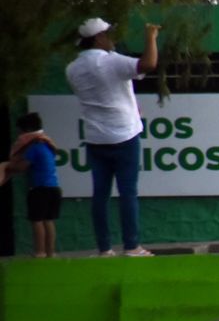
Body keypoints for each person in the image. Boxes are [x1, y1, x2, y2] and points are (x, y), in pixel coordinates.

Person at [65, 17, 160, 256]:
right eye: (108, 34)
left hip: (95, 138)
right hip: (124, 134)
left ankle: (104, 248)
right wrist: (151, 37)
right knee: (128, 192)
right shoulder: (110, 61)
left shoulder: (72, 69)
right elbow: (148, 64)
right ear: (98, 38)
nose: (112, 38)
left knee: (100, 195)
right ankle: (131, 246)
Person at [9, 112, 62, 257]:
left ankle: (40, 251)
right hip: (54, 187)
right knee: (48, 220)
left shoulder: (34, 147)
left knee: (37, 220)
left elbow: (22, 167)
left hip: (40, 189)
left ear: (27, 130)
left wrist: (7, 166)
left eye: (21, 132)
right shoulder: (47, 145)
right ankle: (50, 253)